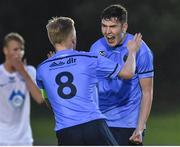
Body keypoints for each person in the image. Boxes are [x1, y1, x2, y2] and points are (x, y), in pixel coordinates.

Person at [36, 16, 142, 145]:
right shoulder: (89, 59)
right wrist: (132, 52)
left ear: (52, 40)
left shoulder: (42, 69)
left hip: (66, 132)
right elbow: (128, 73)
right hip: (93, 125)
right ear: (73, 38)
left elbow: (47, 99)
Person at [90, 4, 154, 145]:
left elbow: (147, 92)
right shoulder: (96, 48)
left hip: (129, 123)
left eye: (112, 26)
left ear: (124, 27)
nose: (107, 31)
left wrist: (140, 127)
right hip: (102, 121)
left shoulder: (141, 50)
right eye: (104, 26)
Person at [0, 32, 44, 145]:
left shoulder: (29, 71)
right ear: (5, 51)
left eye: (21, 49)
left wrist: (23, 73)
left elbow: (40, 98)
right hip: (2, 139)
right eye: (15, 49)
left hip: (24, 140)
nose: (19, 53)